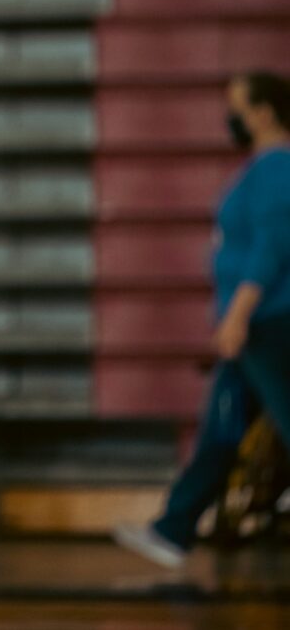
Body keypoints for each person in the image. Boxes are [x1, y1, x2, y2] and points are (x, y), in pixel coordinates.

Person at [114, 71, 290, 567]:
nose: (230, 117)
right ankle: (174, 530)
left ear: (265, 112)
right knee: (223, 430)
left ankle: (175, 528)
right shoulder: (261, 168)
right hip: (255, 327)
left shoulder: (276, 169)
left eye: (237, 106)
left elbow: (273, 250)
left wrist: (236, 317)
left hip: (269, 325)